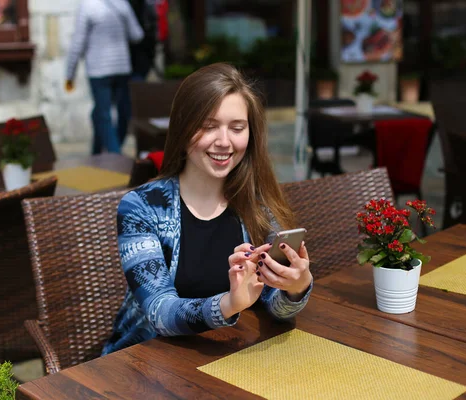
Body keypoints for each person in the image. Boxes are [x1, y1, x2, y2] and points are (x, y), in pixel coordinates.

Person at [103, 63, 313, 354]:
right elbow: (159, 312)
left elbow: (277, 308)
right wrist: (230, 303)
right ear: (183, 128)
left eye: (237, 128)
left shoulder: (257, 203)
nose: (224, 142)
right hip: (139, 363)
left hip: (224, 357)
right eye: (208, 126)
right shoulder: (142, 207)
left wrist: (295, 287)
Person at [65, 0, 144, 155]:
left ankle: (115, 154)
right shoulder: (122, 4)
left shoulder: (87, 5)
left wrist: (70, 74)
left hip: (98, 69)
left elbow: (78, 42)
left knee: (103, 114)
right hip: (121, 67)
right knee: (102, 113)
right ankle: (96, 153)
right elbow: (137, 35)